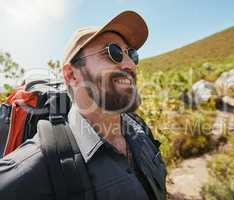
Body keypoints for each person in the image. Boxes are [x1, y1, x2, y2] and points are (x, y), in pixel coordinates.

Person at [0, 11, 167, 200]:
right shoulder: (30, 172)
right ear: (71, 75)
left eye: (132, 54)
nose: (130, 64)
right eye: (114, 52)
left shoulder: (141, 131)